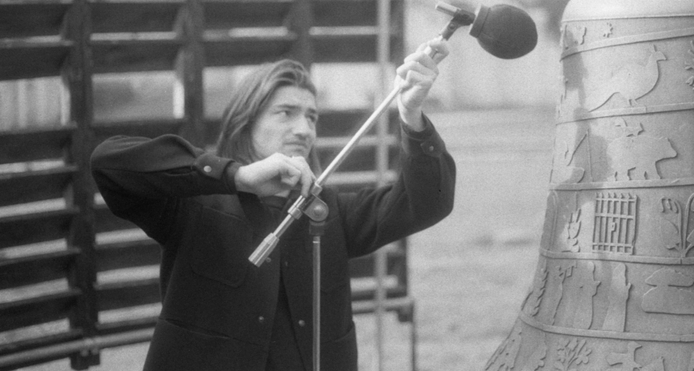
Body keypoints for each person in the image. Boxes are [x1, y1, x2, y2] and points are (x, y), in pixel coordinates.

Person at [90, 38, 456, 371]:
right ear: (246, 122)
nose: (304, 129)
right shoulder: (192, 204)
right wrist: (234, 176)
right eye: (286, 113)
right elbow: (108, 163)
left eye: (311, 117)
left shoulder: (330, 212)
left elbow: (428, 201)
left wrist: (411, 115)